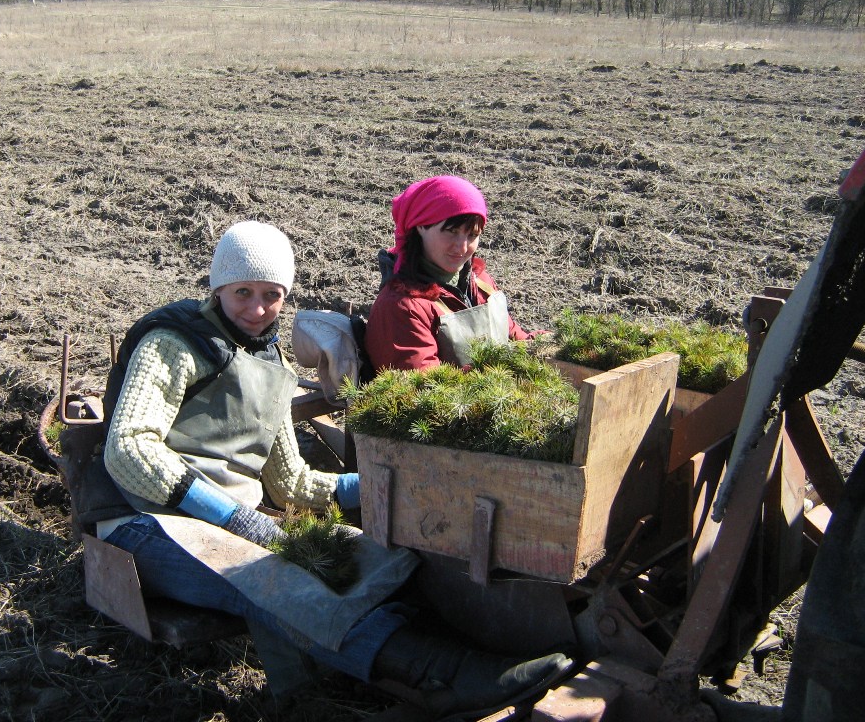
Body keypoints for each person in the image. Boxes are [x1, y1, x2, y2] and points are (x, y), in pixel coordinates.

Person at [96, 220, 571, 716]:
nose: (257, 310)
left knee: (378, 559)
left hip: (229, 523)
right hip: (148, 523)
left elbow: (292, 483)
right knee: (276, 582)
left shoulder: (269, 360)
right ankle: (443, 674)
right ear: (217, 287)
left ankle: (465, 657)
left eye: (272, 295)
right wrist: (230, 516)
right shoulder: (174, 343)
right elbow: (129, 447)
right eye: (242, 293)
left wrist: (380, 487)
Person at [365, 175, 544, 371]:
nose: (462, 246)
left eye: (472, 235)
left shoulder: (480, 282)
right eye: (451, 231)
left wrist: (551, 345)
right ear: (420, 226)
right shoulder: (402, 307)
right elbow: (426, 391)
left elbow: (517, 341)